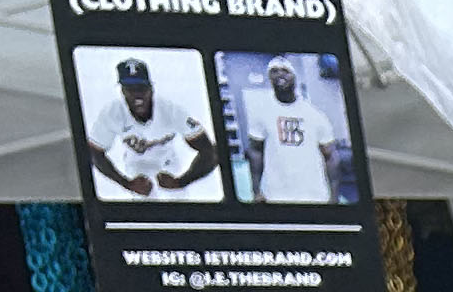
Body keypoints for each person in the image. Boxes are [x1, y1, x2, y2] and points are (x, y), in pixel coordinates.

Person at [85, 59, 222, 203]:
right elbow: (94, 152)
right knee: (143, 206)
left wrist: (181, 182)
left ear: (151, 88)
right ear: (122, 91)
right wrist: (126, 183)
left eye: (141, 88)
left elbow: (211, 152)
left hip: (168, 162)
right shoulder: (112, 113)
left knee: (179, 206)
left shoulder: (172, 110)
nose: (137, 95)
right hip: (136, 163)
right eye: (130, 89)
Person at [239, 59, 351, 208]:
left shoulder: (315, 116)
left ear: (294, 76)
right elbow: (255, 153)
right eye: (274, 71)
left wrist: (334, 198)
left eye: (285, 70)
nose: (280, 74)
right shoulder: (261, 114)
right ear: (269, 77)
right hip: (275, 197)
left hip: (315, 197)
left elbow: (330, 157)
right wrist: (256, 191)